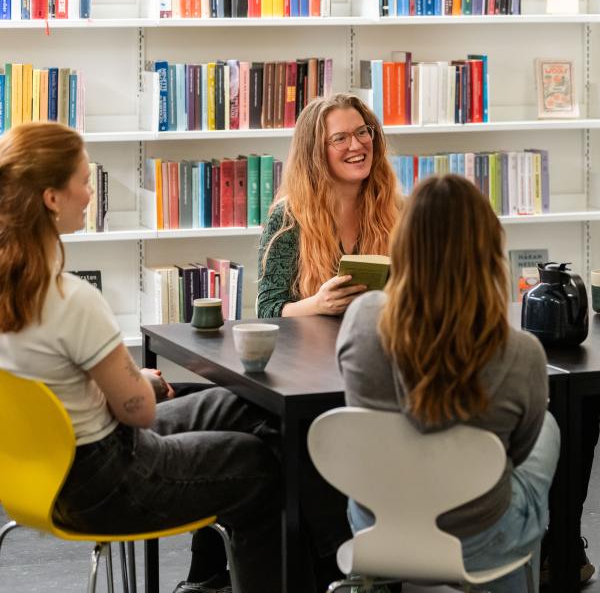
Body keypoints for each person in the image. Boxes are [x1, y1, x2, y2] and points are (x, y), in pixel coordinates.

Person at [0, 122, 282, 593]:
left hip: (43, 476)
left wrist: (117, 384)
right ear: (51, 198)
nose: (90, 194)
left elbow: (52, 388)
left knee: (244, 405)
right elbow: (140, 411)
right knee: (260, 462)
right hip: (109, 480)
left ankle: (209, 583)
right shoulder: (71, 300)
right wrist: (139, 382)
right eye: (84, 181)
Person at [336, 174, 560, 592]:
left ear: (402, 244)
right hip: (478, 539)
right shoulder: (521, 353)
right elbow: (515, 452)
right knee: (546, 425)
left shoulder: (362, 319)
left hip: (376, 524)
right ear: (489, 250)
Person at [257, 92, 401, 318]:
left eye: (362, 132)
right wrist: (317, 305)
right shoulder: (288, 217)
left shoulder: (398, 209)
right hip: (310, 340)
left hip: (379, 336)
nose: (356, 145)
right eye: (340, 138)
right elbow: (267, 310)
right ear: (315, 153)